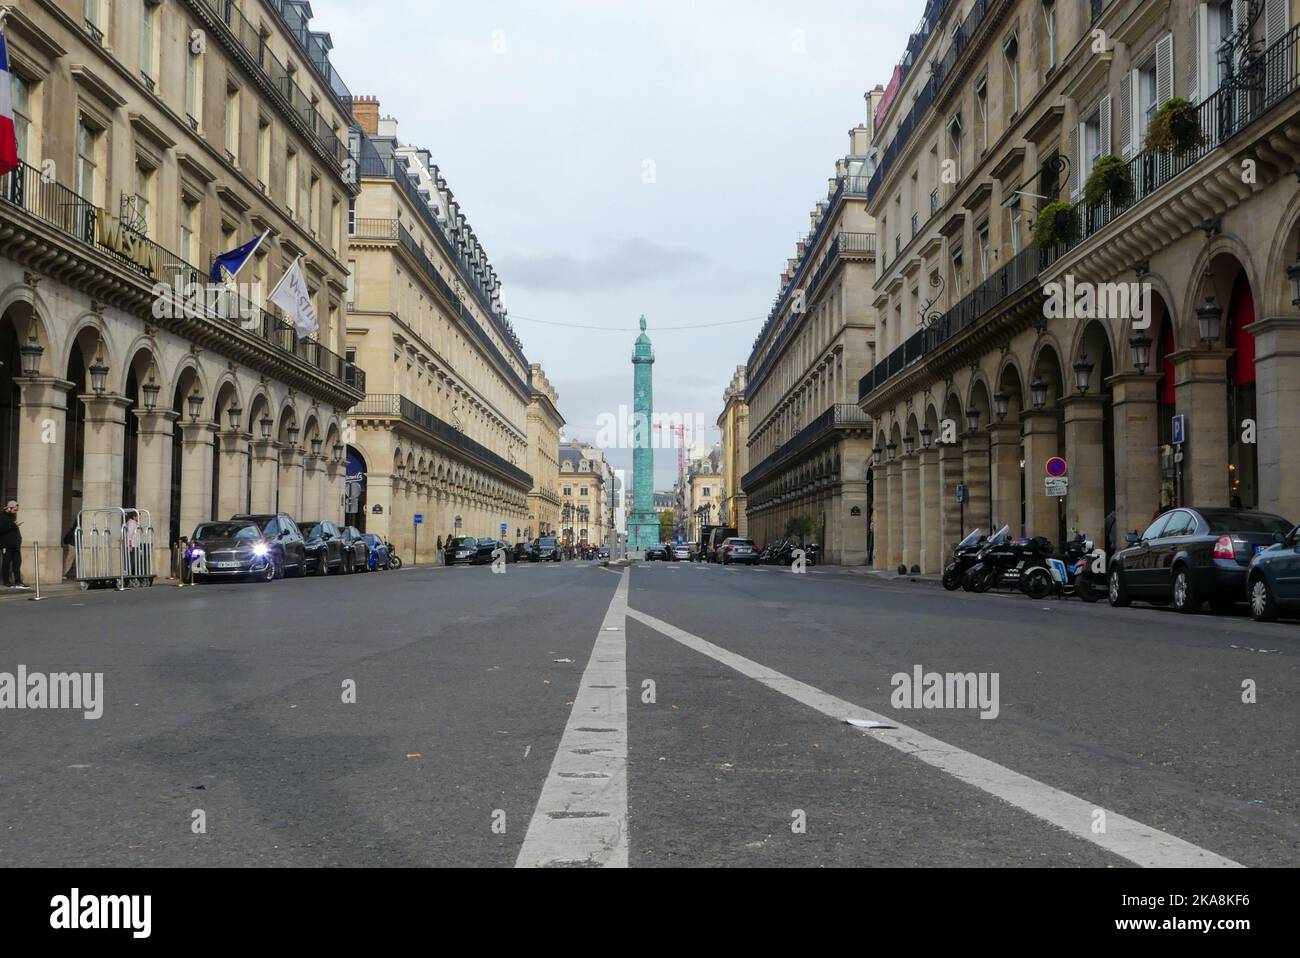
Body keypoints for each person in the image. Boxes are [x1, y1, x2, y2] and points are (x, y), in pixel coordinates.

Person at [1, 500, 28, 589]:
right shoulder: (2, 517)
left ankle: (18, 581)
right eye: (14, 509)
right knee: (6, 563)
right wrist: (14, 525)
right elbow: (2, 529)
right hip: (6, 545)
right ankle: (6, 581)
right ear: (9, 508)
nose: (15, 511)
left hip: (15, 545)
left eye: (16, 510)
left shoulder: (11, 517)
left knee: (17, 563)